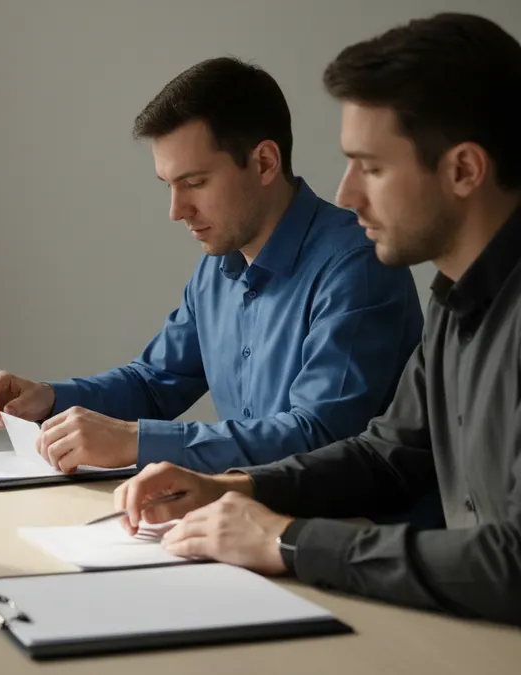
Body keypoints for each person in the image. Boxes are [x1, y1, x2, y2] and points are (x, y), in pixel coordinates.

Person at [117, 13, 521, 626]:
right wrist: (237, 490)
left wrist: (286, 540)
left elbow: (512, 563)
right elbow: (388, 454)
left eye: (373, 167)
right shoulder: (453, 299)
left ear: (464, 170)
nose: (349, 195)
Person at [0, 57, 423, 477]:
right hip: (245, 522)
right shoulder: (217, 269)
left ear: (265, 162)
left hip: (351, 536)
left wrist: (136, 441)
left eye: (194, 183)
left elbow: (320, 436)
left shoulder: (357, 264)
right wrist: (49, 399)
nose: (177, 210)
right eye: (168, 185)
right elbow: (153, 384)